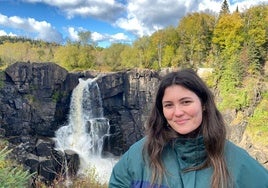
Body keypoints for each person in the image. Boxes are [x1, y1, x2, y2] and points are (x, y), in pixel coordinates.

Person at [109, 68, 268, 188]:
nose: (178, 112)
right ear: (161, 110)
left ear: (204, 104)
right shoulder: (138, 155)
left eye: (186, 102)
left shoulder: (237, 162)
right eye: (169, 105)